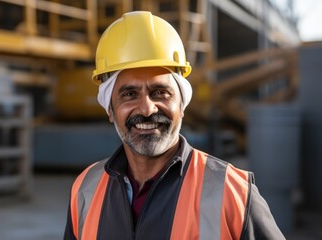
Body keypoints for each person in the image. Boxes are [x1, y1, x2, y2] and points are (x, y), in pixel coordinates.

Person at [64, 11, 285, 240]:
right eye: (129, 94)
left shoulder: (233, 192)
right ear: (110, 109)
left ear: (182, 104)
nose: (147, 109)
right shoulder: (85, 190)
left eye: (160, 92)